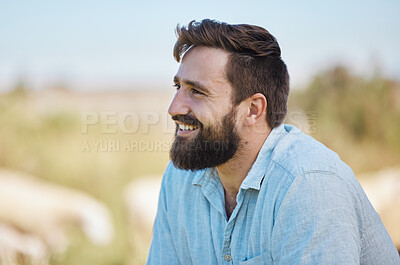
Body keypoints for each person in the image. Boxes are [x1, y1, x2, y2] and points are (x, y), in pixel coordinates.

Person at [147, 19, 399, 264]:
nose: (174, 107)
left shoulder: (308, 184)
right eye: (177, 87)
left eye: (197, 91)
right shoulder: (180, 180)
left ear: (253, 110)